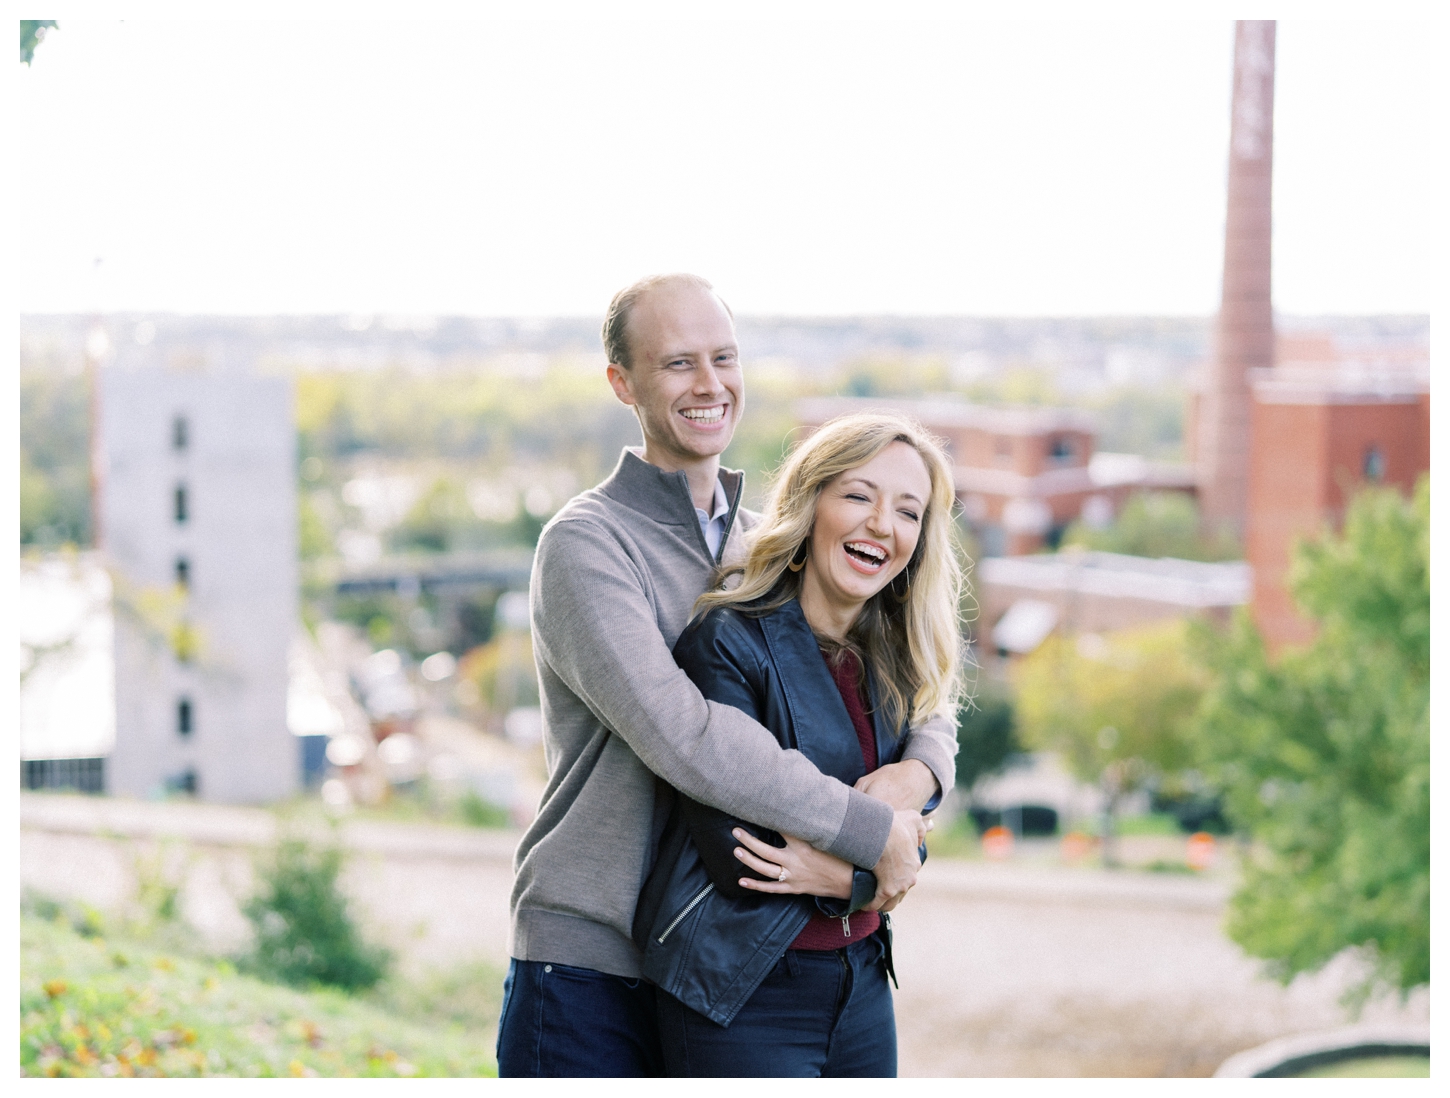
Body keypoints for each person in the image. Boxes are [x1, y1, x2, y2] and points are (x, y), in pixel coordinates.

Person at [494, 274, 958, 1077]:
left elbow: (907, 664)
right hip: (591, 963)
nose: (709, 385)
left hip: (725, 954)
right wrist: (871, 835)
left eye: (723, 358)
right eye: (678, 363)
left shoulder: (762, 548)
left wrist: (920, 773)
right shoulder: (588, 545)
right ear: (623, 384)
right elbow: (689, 737)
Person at [635, 412, 965, 1077]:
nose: (881, 524)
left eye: (908, 512)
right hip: (741, 990)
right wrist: (875, 873)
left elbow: (914, 831)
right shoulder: (729, 641)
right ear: (810, 504)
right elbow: (741, 854)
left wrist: (914, 790)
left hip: (861, 983)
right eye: (858, 496)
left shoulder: (896, 658)